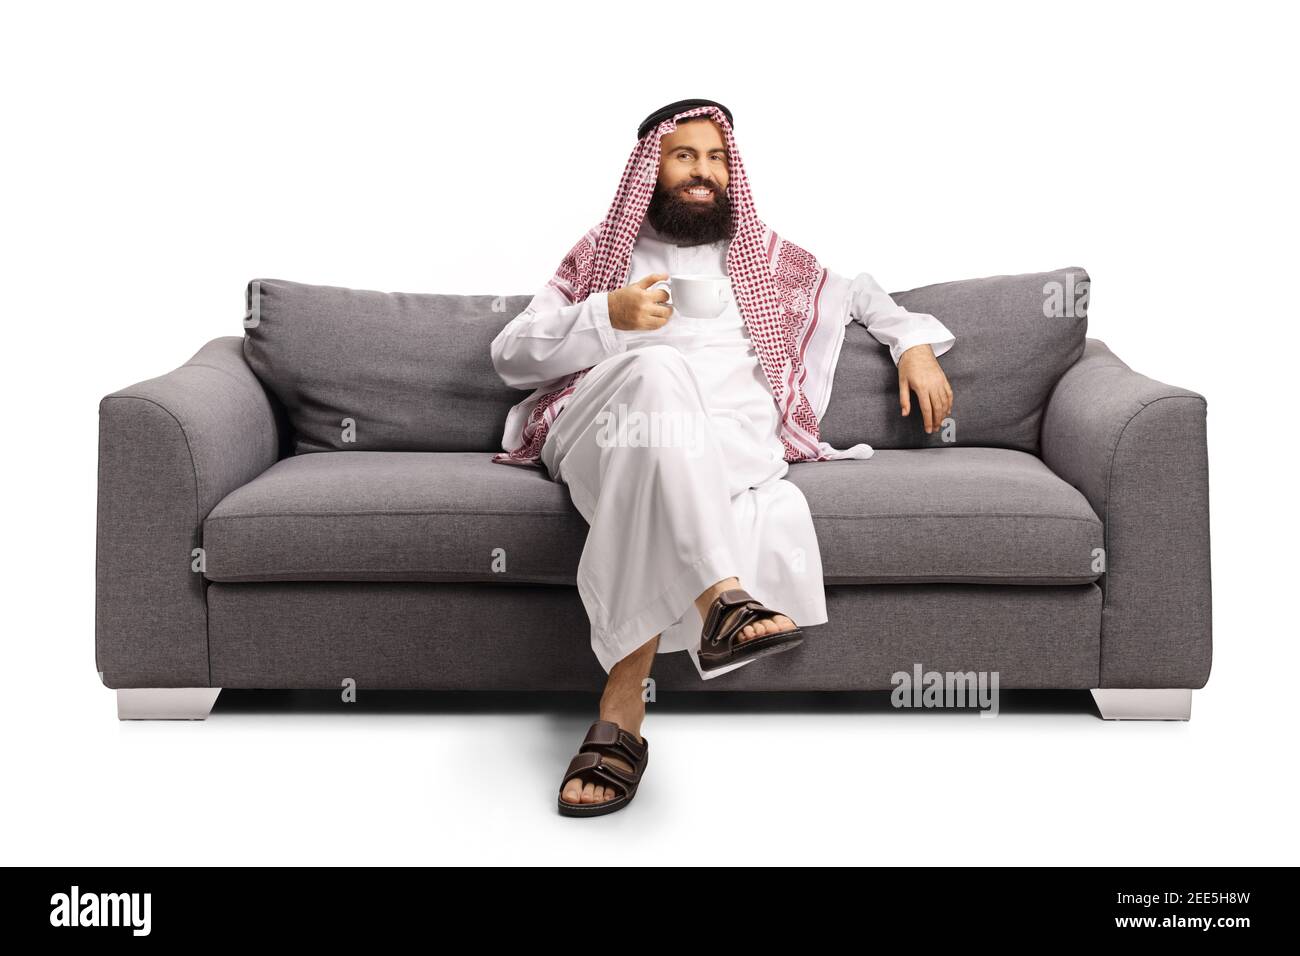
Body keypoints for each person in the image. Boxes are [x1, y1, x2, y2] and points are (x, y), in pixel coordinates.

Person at [489, 98, 955, 816]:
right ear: (651, 170)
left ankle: (621, 711)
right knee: (655, 371)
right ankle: (721, 597)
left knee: (666, 454)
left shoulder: (762, 259)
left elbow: (858, 291)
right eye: (684, 156)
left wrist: (913, 344)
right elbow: (511, 355)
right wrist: (605, 316)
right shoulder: (600, 256)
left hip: (717, 451)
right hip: (600, 428)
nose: (702, 172)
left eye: (715, 158)